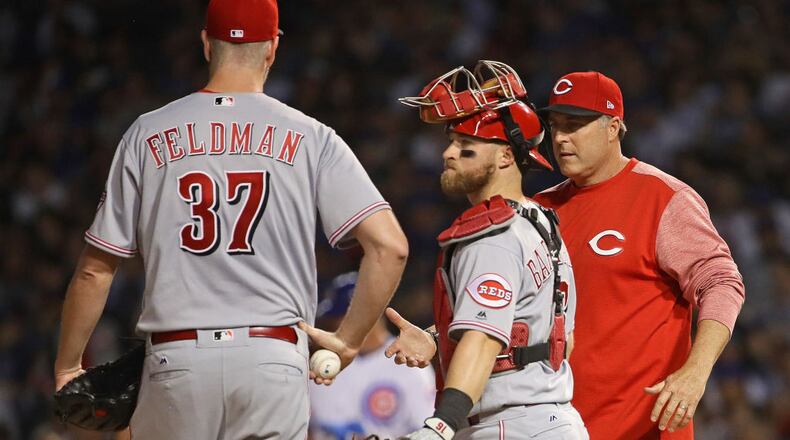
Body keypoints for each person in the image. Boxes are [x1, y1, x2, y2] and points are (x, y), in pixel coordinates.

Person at [52, 1, 408, 438]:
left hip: (176, 362)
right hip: (271, 360)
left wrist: (69, 365)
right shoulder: (311, 136)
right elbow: (390, 247)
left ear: (206, 43)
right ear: (273, 48)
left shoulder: (146, 133)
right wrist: (349, 341)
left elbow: (94, 270)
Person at [533, 71, 746, 439]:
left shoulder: (661, 198)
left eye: (575, 125)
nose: (561, 138)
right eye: (555, 126)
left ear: (613, 127)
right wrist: (436, 337)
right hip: (550, 428)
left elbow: (722, 283)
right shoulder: (538, 211)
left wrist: (696, 370)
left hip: (640, 430)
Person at [387, 61, 588, 440]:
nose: (449, 153)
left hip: (510, 425)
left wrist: (441, 426)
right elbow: (538, 330)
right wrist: (437, 337)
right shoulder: (538, 220)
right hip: (550, 418)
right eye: (450, 143)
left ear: (505, 156)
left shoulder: (490, 235)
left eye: (467, 146)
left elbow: (483, 340)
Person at [309, 271, 436, 440]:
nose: (331, 325)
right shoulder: (322, 364)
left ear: (365, 316)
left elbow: (428, 433)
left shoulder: (408, 364)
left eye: (338, 317)